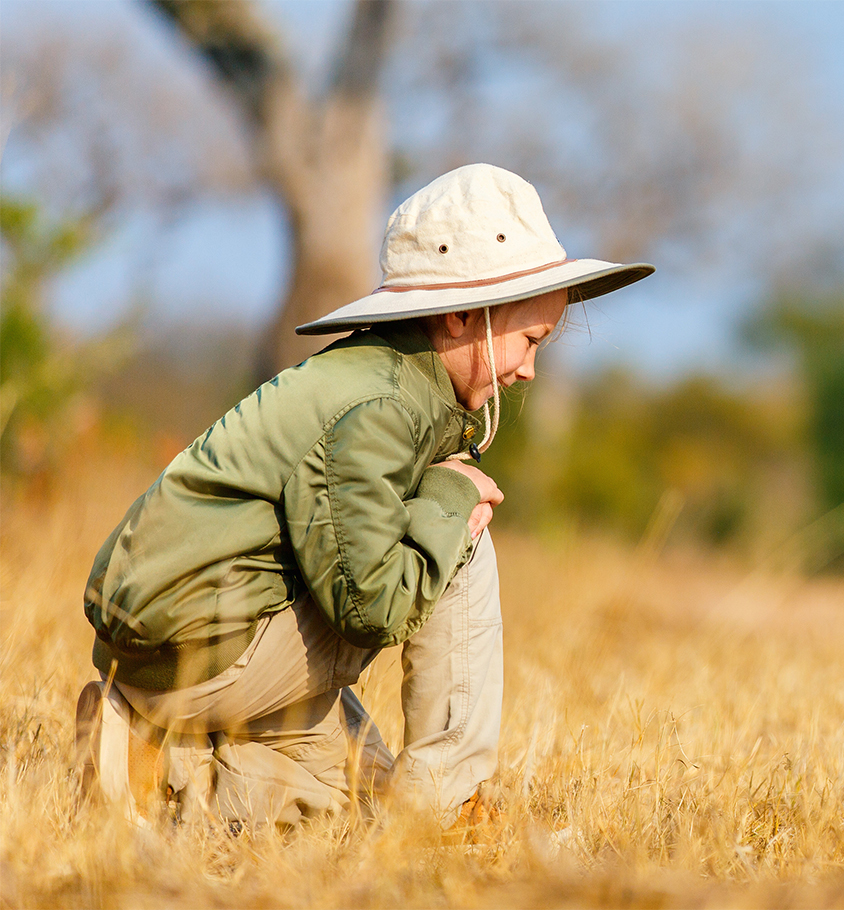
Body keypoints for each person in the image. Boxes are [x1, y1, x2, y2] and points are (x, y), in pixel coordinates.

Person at [73, 164, 652, 831]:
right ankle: (448, 800)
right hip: (200, 649)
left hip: (173, 651)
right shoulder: (379, 408)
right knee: (463, 533)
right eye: (528, 341)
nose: (527, 369)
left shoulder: (380, 379)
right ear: (463, 314)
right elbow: (367, 607)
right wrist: (451, 500)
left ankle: (148, 756)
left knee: (349, 805)